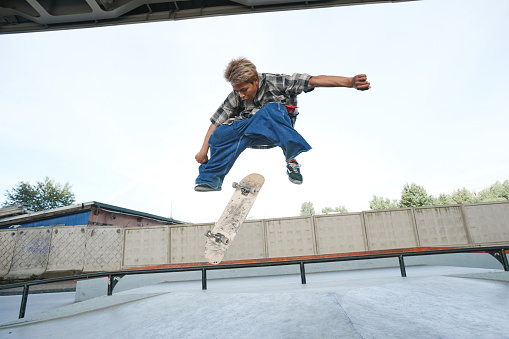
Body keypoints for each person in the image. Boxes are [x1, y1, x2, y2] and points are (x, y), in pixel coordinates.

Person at [194, 57, 370, 192]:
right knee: (218, 135)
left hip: (277, 131)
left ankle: (291, 157)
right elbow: (215, 123)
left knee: (271, 109)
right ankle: (210, 180)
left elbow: (312, 80)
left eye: (244, 90)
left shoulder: (277, 82)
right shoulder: (236, 96)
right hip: (250, 135)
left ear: (255, 80)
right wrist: (203, 151)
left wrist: (349, 82)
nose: (240, 95)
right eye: (236, 91)